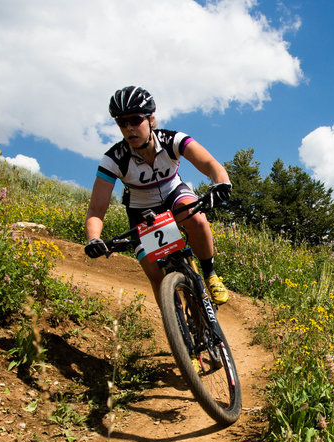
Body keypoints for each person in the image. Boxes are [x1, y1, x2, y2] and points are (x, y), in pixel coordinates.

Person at [84, 85, 232, 305]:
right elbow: (96, 209)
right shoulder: (114, 159)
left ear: (151, 119)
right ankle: (176, 328)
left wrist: (222, 183)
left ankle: (210, 274)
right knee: (156, 275)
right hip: (142, 211)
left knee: (196, 218)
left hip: (175, 194)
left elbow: (210, 163)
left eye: (135, 120)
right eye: (122, 122)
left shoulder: (173, 140)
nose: (129, 128)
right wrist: (93, 238)